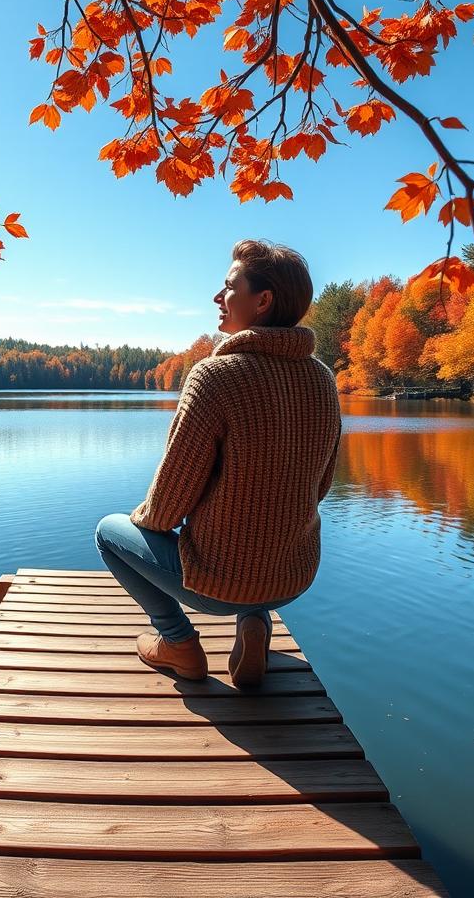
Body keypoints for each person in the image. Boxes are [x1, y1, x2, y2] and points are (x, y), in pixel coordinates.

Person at [94, 239, 342, 688]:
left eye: (229, 286)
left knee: (109, 533)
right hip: (293, 576)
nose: (217, 296)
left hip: (218, 585)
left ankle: (178, 643)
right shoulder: (323, 380)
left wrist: (143, 522)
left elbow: (168, 504)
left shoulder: (215, 376)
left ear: (262, 301)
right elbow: (321, 485)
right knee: (260, 532)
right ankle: (257, 622)